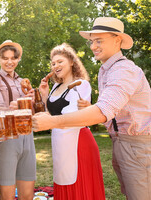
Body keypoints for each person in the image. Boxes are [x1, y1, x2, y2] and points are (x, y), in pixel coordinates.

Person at [33, 17, 151, 199]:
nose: (93, 46)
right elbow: (110, 110)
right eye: (92, 41)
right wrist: (90, 109)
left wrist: (51, 122)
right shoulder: (106, 71)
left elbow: (103, 110)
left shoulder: (123, 70)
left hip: (140, 146)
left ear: (117, 40)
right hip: (122, 143)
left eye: (99, 40)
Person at [38, 43, 105, 199]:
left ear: (72, 62)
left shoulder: (81, 84)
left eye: (60, 61)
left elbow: (72, 117)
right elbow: (50, 115)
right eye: (53, 63)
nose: (55, 65)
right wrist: (44, 95)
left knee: (79, 187)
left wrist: (87, 108)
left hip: (79, 144)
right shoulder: (54, 87)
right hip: (59, 143)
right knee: (63, 180)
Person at [0, 40, 36, 200]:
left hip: (28, 137)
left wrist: (35, 100)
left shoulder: (22, 82)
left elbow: (32, 112)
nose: (9, 62)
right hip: (7, 137)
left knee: (27, 194)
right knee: (7, 195)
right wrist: (21, 104)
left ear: (18, 59)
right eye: (5, 58)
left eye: (13, 58)